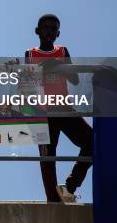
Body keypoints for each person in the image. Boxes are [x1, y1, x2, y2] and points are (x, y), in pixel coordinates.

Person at [25, 13, 92, 203]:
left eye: (53, 29)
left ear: (58, 33)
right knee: (47, 158)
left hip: (64, 108)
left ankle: (69, 186)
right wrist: (42, 68)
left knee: (92, 142)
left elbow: (75, 78)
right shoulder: (30, 53)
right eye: (45, 27)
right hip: (43, 112)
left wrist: (56, 65)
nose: (49, 31)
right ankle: (53, 201)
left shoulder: (62, 52)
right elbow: (27, 85)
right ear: (37, 31)